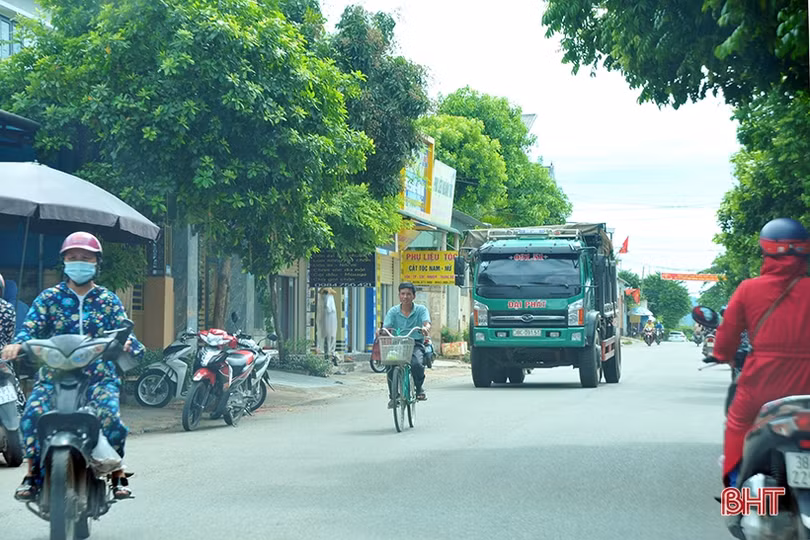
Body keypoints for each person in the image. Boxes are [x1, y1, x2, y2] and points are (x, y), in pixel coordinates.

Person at [0, 232, 144, 501]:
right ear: (64, 262)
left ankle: (116, 472)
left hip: (98, 376)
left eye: (86, 258)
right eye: (73, 257)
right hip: (53, 375)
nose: (79, 262)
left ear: (96, 263)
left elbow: (125, 333)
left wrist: (128, 345)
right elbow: (29, 328)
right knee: (32, 415)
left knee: (110, 415)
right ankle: (33, 474)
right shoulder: (48, 298)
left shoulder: (108, 300)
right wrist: (17, 346)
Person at [708, 218, 810, 493]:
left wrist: (722, 355)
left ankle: (737, 491)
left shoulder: (748, 289)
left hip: (762, 383)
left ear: (765, 250)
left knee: (738, 425)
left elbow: (727, 337)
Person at [378, 282, 431, 405]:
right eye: (402, 294)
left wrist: (425, 328)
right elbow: (386, 326)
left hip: (415, 343)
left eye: (408, 294)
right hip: (397, 343)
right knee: (390, 364)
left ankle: (419, 388)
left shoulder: (421, 310)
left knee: (417, 364)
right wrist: (381, 331)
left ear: (414, 296)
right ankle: (393, 396)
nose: (405, 297)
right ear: (399, 296)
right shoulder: (393, 311)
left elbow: (426, 322)